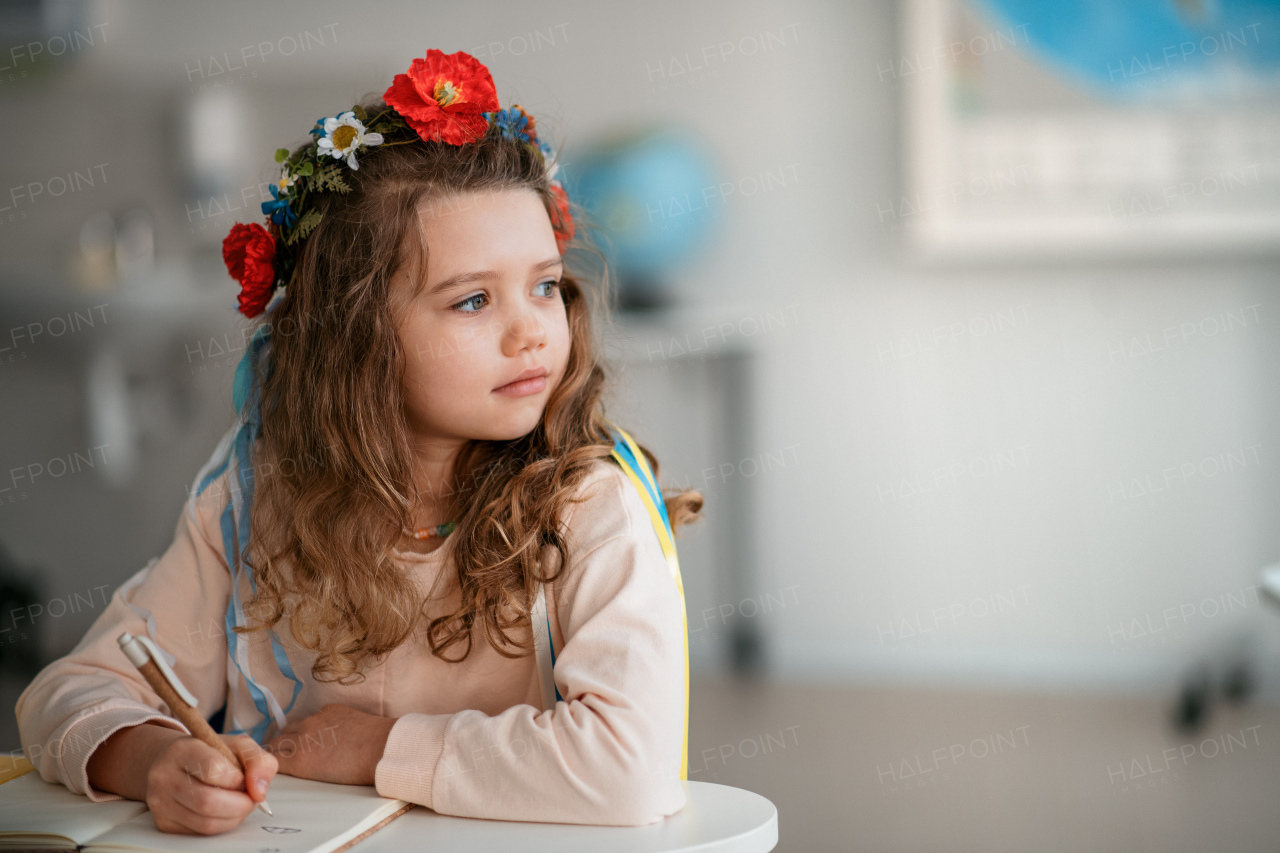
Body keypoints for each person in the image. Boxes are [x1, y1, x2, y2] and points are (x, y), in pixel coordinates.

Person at [14, 48, 702, 835]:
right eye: (474, 299)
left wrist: (377, 746)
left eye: (545, 285)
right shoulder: (256, 501)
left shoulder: (589, 505)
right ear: (355, 337)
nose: (532, 333)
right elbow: (66, 693)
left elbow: (631, 770)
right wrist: (150, 757)